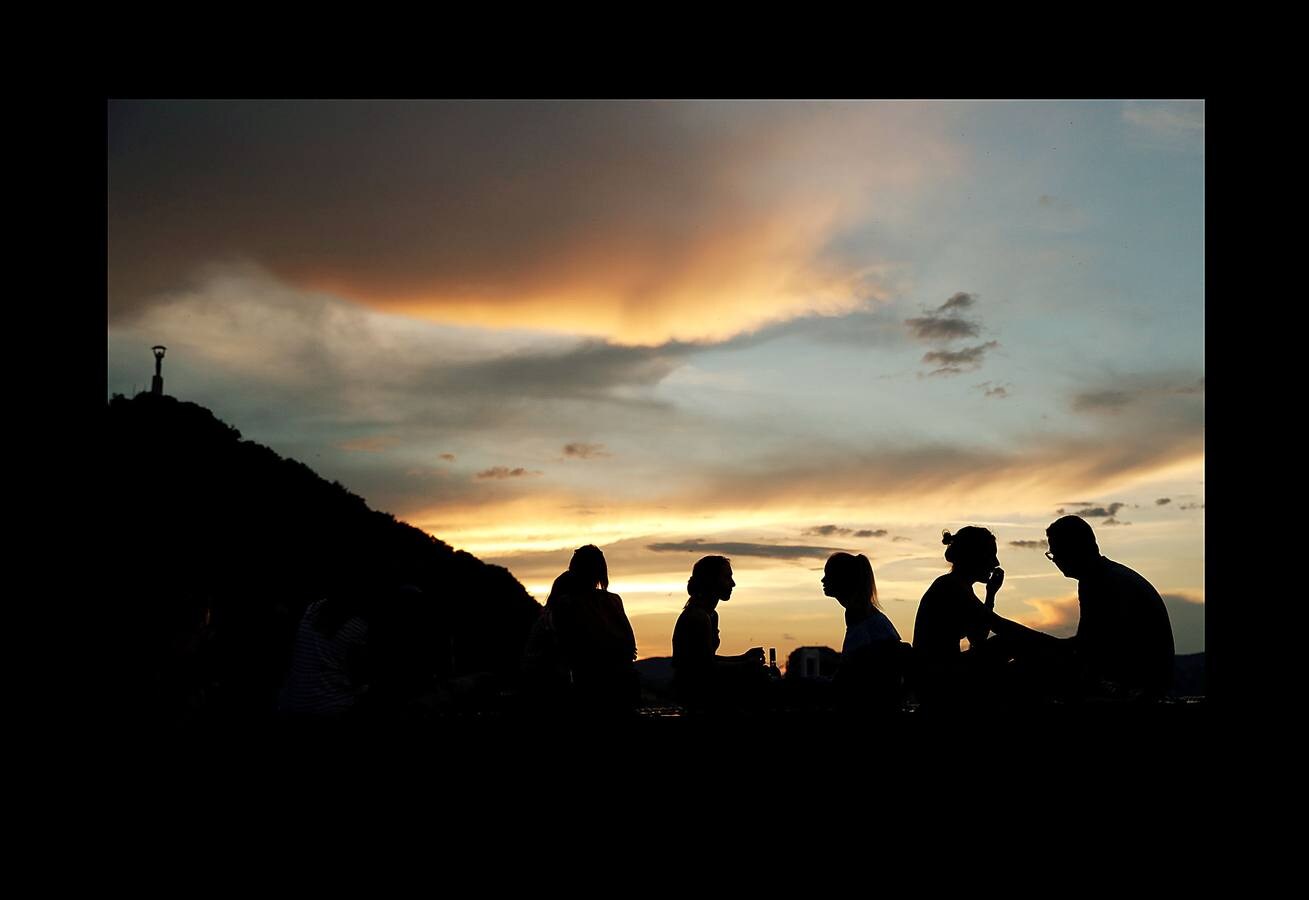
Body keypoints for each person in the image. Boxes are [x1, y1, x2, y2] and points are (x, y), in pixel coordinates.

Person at [991, 516, 1174, 699]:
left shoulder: (1099, 582)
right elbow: (1089, 644)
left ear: (1073, 549)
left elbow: (1087, 650)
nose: (1055, 561)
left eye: (1055, 553)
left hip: (1135, 685)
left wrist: (1029, 641)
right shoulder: (1105, 575)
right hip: (1138, 678)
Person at [910, 527, 1006, 710]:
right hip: (939, 679)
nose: (996, 562)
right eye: (990, 555)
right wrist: (1053, 644)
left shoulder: (957, 585)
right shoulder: (951, 587)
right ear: (974, 556)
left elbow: (978, 637)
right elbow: (1000, 626)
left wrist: (991, 595)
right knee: (1007, 643)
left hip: (939, 676)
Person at [547, 545, 640, 712]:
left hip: (588, 680)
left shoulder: (566, 603)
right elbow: (629, 642)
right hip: (612, 680)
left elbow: (563, 645)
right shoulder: (612, 601)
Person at [671, 556, 767, 709]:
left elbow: (706, 659)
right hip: (695, 695)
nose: (733, 584)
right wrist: (744, 665)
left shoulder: (711, 615)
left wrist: (742, 658)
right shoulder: (698, 617)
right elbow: (702, 669)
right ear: (711, 580)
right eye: (727, 577)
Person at [822, 552, 908, 711]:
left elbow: (851, 675)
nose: (823, 580)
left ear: (844, 579)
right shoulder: (866, 616)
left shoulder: (860, 617)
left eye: (829, 575)